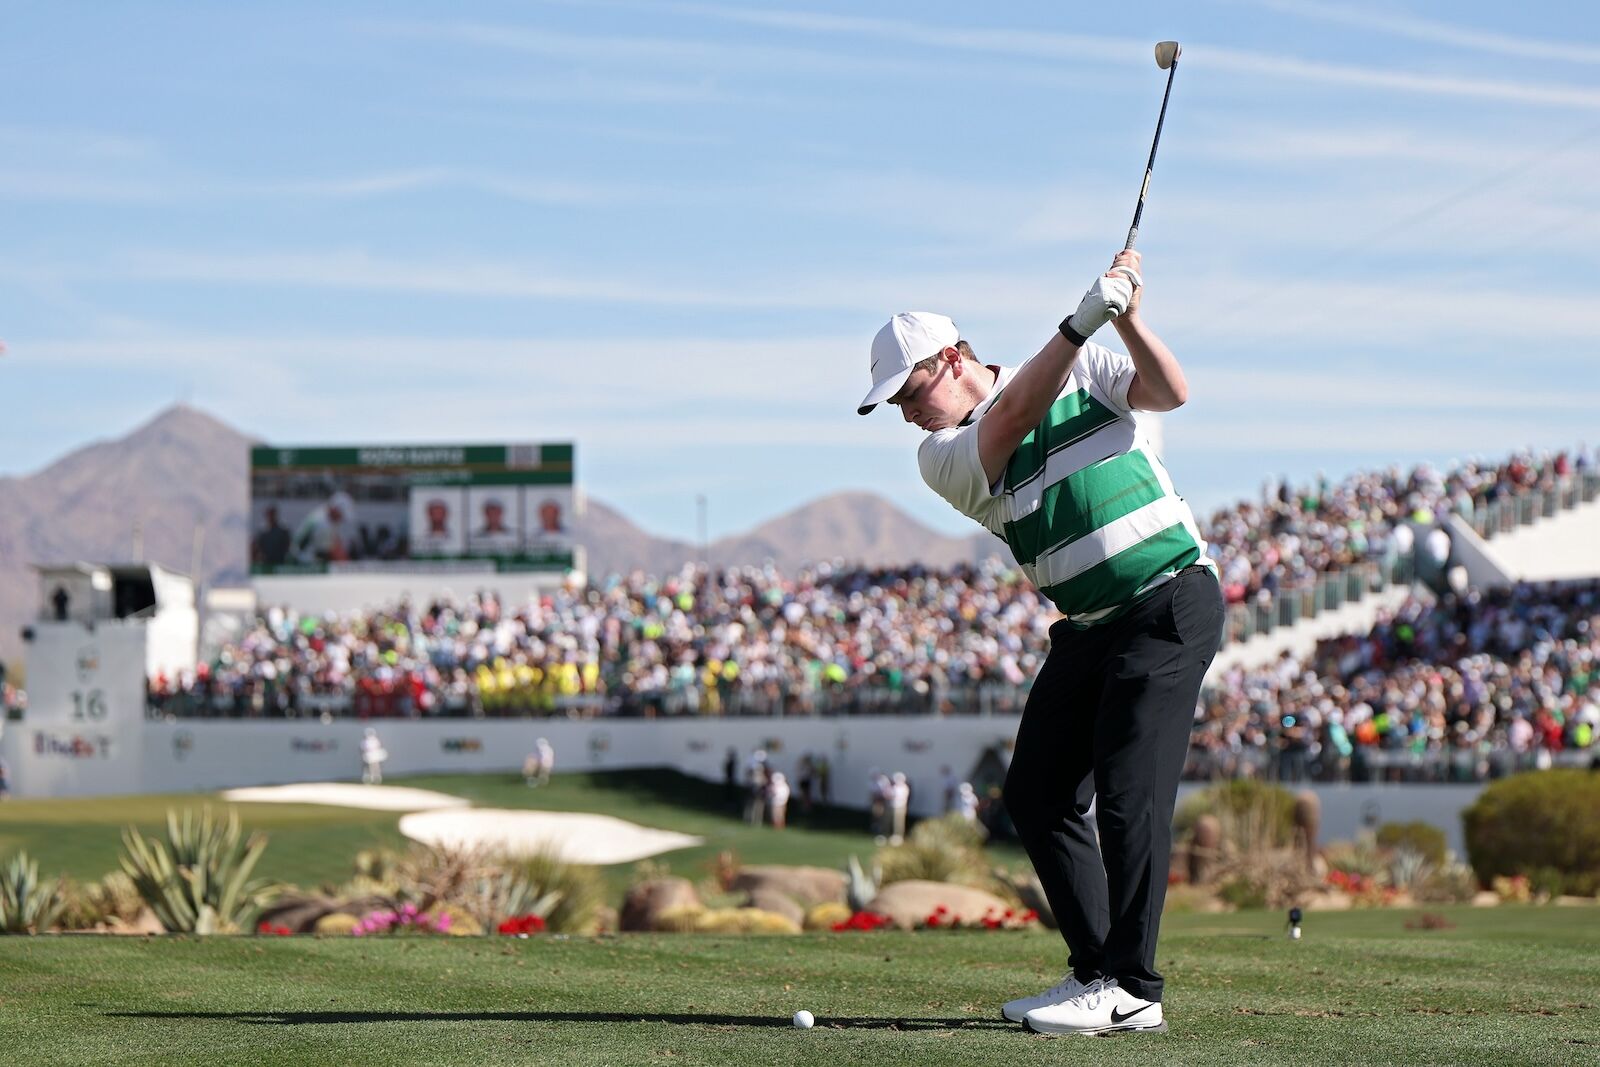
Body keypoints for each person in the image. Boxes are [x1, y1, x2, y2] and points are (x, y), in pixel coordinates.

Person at [857, 251, 1222, 1037]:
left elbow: (1171, 392)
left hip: (1167, 599)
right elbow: (1013, 415)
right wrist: (1082, 317)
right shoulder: (944, 457)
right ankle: (1096, 970)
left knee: (1129, 790)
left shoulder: (1086, 361)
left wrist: (1121, 313)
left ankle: (1134, 987)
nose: (908, 413)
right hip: (1091, 628)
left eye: (911, 391)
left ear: (953, 358)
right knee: (1037, 791)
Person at [294, 491, 357, 564]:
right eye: (341, 515)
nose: (341, 519)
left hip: (313, 558)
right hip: (303, 562)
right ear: (335, 509)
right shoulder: (320, 522)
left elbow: (336, 543)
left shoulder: (328, 514)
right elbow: (334, 552)